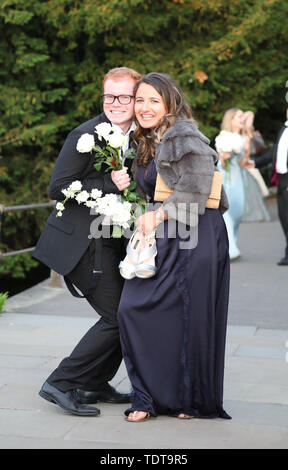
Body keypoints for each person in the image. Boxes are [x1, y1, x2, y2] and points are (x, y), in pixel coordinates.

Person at [117, 72, 231, 422]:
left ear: (170, 103)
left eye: (154, 100)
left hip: (197, 236)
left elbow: (196, 192)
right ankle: (149, 397)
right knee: (134, 309)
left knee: (189, 318)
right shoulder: (146, 139)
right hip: (169, 235)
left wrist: (159, 214)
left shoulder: (184, 135)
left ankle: (187, 400)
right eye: (140, 100)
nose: (145, 107)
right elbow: (156, 188)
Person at [33, 67, 141, 416]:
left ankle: (93, 383)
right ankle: (62, 382)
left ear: (136, 99)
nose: (116, 103)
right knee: (117, 316)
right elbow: (57, 188)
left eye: (125, 96)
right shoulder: (85, 135)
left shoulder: (139, 136)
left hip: (110, 242)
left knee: (127, 314)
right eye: (110, 96)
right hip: (79, 244)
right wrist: (111, 183)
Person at [216, 108, 270, 260]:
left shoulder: (243, 137)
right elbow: (222, 162)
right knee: (227, 213)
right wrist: (225, 154)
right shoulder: (223, 137)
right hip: (226, 177)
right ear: (231, 119)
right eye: (238, 117)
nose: (241, 119)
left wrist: (246, 151)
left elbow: (242, 164)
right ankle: (230, 249)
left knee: (238, 214)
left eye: (241, 116)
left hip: (238, 177)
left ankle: (230, 244)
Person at [255, 108, 288, 265]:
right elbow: (274, 153)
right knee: (284, 217)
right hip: (282, 180)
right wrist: (254, 163)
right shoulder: (284, 128)